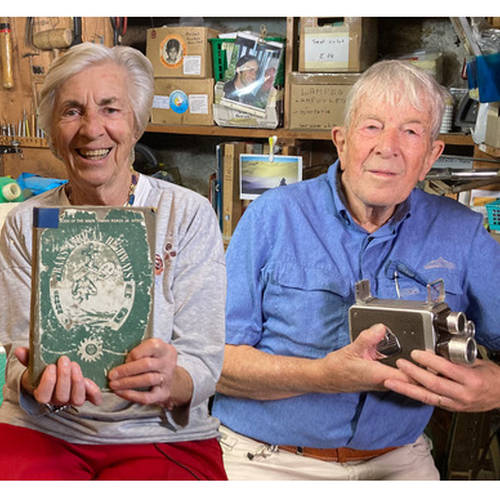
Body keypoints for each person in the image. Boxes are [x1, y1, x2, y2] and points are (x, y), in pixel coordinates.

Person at [212, 59, 500, 480]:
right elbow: (216, 365)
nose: (388, 147)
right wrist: (322, 377)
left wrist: (495, 386)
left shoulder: (463, 233)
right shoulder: (272, 217)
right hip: (265, 458)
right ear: (341, 142)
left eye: (411, 131)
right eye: (372, 127)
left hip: (398, 459)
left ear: (431, 156)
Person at [0, 42, 227, 480]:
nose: (91, 130)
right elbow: (16, 359)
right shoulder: (26, 222)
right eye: (72, 111)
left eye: (110, 109)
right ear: (51, 131)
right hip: (47, 429)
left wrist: (172, 380)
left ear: (137, 124)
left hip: (157, 432)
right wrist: (33, 379)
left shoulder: (188, 215)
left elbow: (203, 363)